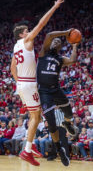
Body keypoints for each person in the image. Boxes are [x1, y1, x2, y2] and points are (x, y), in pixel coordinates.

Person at [11, 0, 64, 166]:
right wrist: (54, 7)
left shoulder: (15, 46)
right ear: (22, 34)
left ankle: (31, 145)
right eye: (26, 31)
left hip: (21, 84)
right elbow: (41, 24)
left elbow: (12, 69)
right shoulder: (25, 40)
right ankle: (26, 151)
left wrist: (20, 83)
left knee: (37, 116)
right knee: (35, 117)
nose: (29, 32)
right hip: (28, 83)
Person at [36, 28, 79, 166]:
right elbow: (49, 35)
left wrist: (74, 45)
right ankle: (59, 149)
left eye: (58, 42)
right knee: (52, 123)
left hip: (56, 90)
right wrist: (65, 32)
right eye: (54, 41)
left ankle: (67, 123)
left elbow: (72, 60)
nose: (55, 42)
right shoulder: (43, 53)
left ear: (60, 46)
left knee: (68, 111)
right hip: (44, 92)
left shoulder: (60, 59)